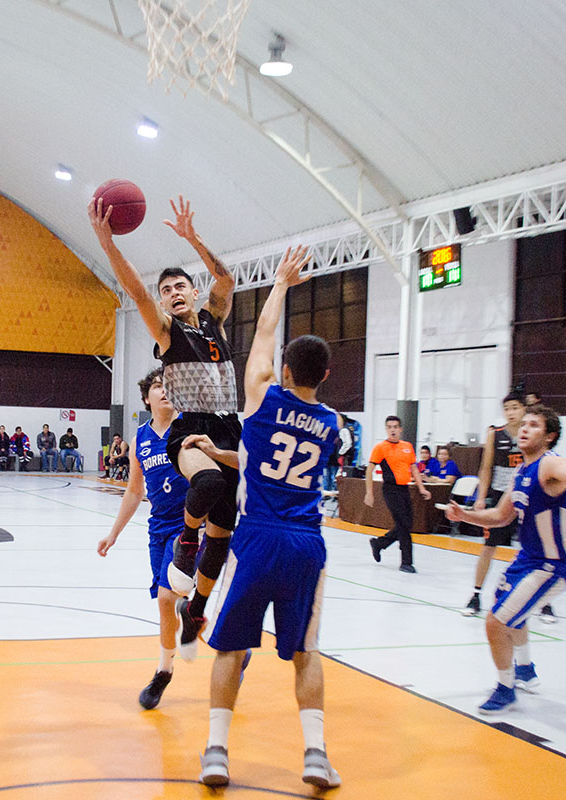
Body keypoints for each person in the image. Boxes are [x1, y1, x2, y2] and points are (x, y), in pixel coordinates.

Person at [196, 245, 341, 789]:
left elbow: (259, 341)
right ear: (324, 374)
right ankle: (315, 756)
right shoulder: (332, 424)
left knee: (232, 647)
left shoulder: (260, 398)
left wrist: (280, 284)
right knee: (305, 652)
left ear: (283, 370)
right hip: (307, 541)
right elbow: (273, 457)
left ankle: (216, 751)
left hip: (257, 537)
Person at [90, 194, 240, 660]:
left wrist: (192, 237)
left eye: (180, 287)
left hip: (228, 428)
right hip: (190, 428)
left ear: (193, 293)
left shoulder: (213, 321)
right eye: (166, 290)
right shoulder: (168, 333)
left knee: (224, 535)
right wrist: (106, 243)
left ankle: (197, 607)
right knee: (209, 480)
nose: (173, 293)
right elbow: (135, 290)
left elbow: (226, 278)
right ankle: (185, 539)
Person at [446, 404, 566, 715]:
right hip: (528, 559)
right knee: (509, 610)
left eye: (534, 425)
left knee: (496, 622)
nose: (525, 428)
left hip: (554, 565)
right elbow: (500, 517)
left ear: (549, 436)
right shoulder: (520, 472)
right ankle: (525, 668)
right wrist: (466, 515)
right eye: (524, 424)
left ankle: (506, 688)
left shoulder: (550, 464)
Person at [98, 369, 191, 709]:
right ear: (147, 398)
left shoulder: (189, 429)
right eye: (157, 386)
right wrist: (114, 533)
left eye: (170, 386)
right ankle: (173, 665)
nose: (165, 390)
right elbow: (135, 491)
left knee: (170, 597)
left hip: (191, 526)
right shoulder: (140, 439)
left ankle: (163, 672)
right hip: (159, 528)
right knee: (166, 602)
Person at [462, 393, 558, 622]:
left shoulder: (534, 436)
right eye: (507, 409)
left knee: (539, 549)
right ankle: (475, 595)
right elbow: (486, 468)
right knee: (489, 546)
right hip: (500, 496)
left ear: (524, 409)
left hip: (528, 495)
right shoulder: (496, 434)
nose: (511, 412)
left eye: (515, 408)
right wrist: (481, 497)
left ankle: (544, 602)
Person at [364, 416, 431, 573]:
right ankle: (406, 562)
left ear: (400, 429)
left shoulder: (407, 446)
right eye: (389, 427)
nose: (392, 429)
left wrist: (421, 488)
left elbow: (414, 468)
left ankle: (379, 544)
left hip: (404, 489)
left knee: (407, 524)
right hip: (390, 489)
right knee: (402, 524)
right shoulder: (380, 448)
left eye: (395, 427)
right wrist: (369, 493)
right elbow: (369, 470)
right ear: (386, 429)